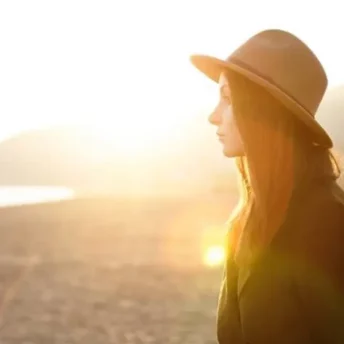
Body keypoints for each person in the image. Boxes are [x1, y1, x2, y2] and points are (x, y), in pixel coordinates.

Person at [190, 29, 344, 343]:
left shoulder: (332, 225)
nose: (213, 117)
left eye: (228, 99)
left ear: (264, 111)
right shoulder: (244, 223)